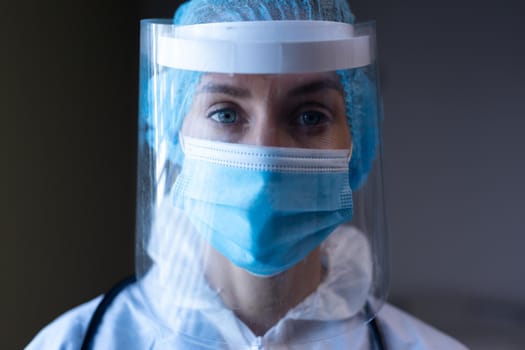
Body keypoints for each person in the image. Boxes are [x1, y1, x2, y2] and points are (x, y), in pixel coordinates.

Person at [27, 0, 468, 349]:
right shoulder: (74, 342)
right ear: (172, 131)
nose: (264, 155)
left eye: (310, 116)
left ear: (358, 137)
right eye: (225, 112)